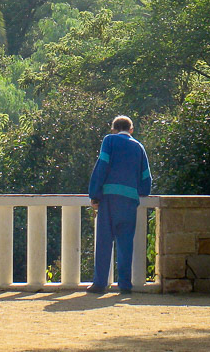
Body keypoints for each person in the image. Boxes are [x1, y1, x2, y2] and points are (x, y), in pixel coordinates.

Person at [87, 115, 151, 294]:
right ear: (131, 130)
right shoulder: (139, 147)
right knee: (125, 243)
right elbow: (146, 178)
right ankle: (125, 285)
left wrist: (95, 194)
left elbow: (102, 166)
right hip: (130, 200)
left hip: (109, 198)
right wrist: (141, 191)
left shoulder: (109, 141)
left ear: (113, 129)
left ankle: (100, 283)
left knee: (104, 241)